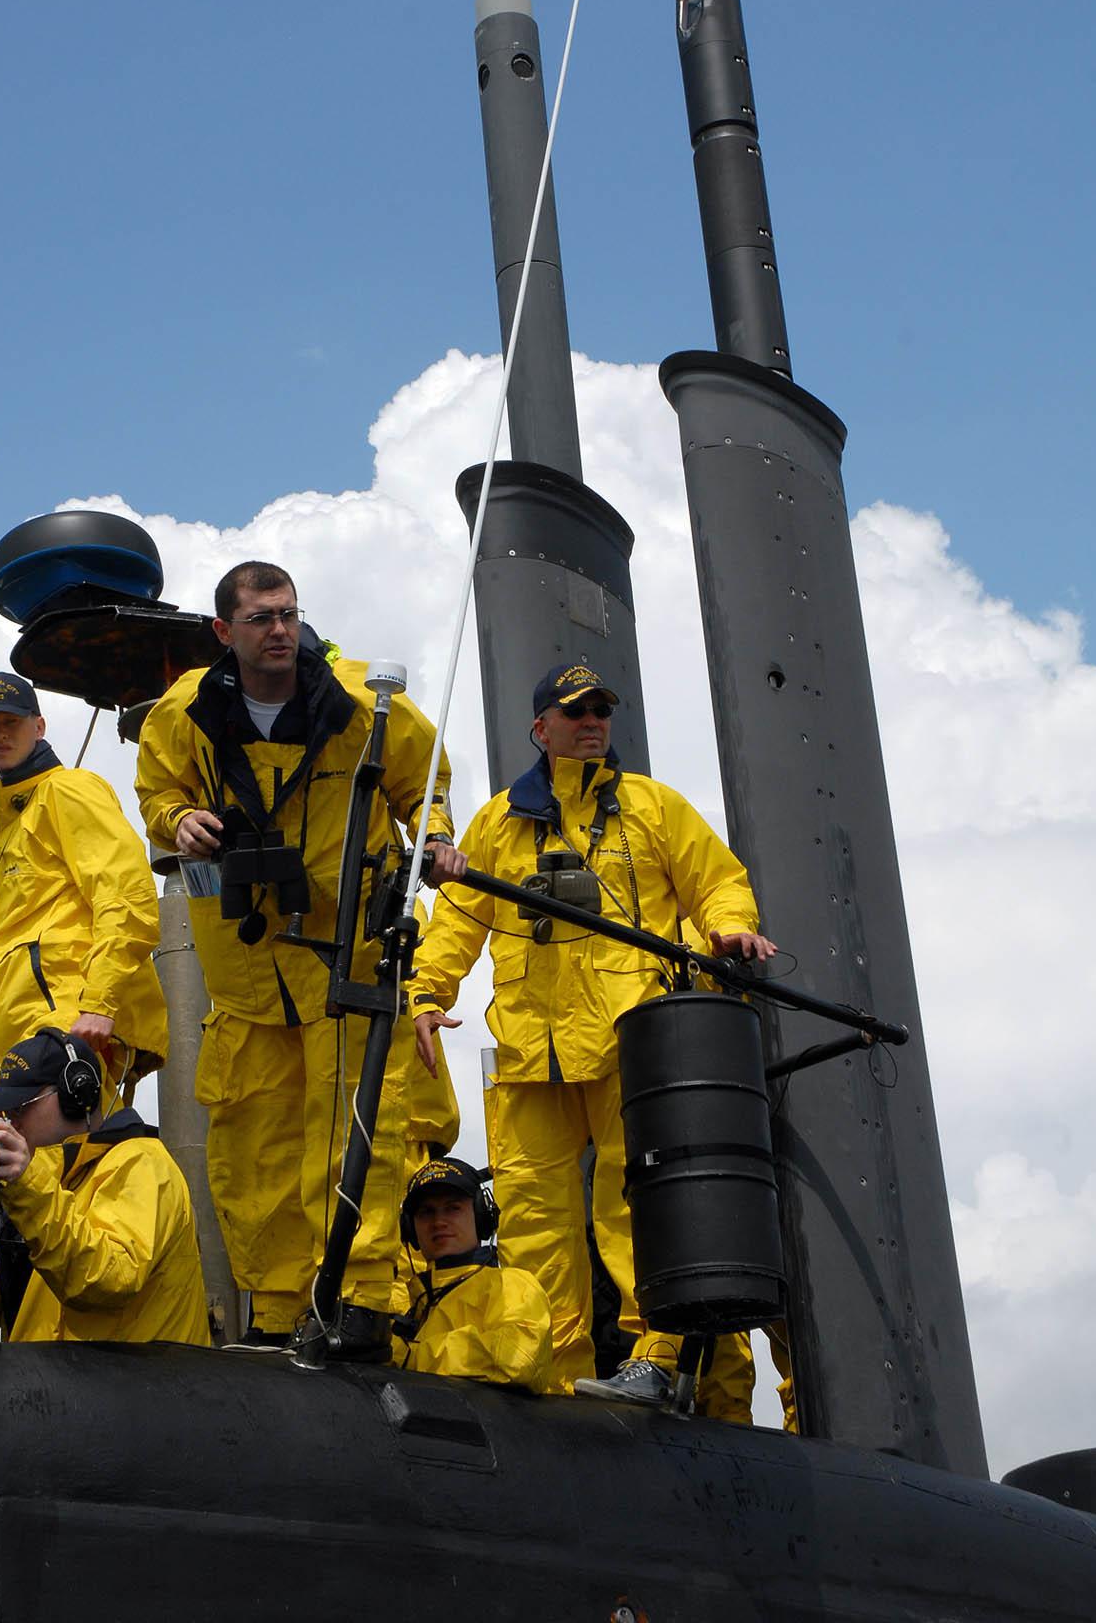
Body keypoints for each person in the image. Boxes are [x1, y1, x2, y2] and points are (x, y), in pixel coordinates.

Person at [410, 660, 775, 1409]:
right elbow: (457, 921)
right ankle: (552, 1376)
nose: (592, 725)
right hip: (528, 1055)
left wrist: (730, 927)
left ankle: (655, 1355)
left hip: (626, 1043)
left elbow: (715, 879)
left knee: (631, 1208)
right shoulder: (499, 820)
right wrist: (425, 991)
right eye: (576, 713)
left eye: (600, 713)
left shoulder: (649, 806)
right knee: (535, 1225)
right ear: (540, 729)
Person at [134, 561, 465, 1360]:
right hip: (246, 970)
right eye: (259, 619)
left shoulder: (363, 704)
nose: (278, 630)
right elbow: (155, 794)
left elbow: (424, 784)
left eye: (287, 614)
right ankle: (280, 1311)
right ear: (224, 632)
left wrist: (439, 837)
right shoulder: (183, 715)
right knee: (256, 1147)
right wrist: (178, 819)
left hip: (342, 958)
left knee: (357, 1131)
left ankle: (358, 1301)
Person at [0, 673, 168, 1108]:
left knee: (73, 1166)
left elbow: (126, 897)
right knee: (20, 1173)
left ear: (38, 727)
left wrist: (100, 1001)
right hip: (10, 1044)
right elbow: (0, 948)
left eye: (11, 722)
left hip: (66, 1026)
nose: (0, 734)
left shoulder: (68, 790)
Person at [0, 1029, 209, 1345]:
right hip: (46, 1387)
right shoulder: (33, 1190)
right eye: (5, 1112)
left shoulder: (142, 1163)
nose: (10, 1123)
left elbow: (111, 1279)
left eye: (21, 1107)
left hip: (136, 1390)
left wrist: (29, 1188)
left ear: (77, 1094)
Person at [393, 1157, 551, 1392]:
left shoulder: (511, 1284)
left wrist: (413, 1357)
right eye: (426, 1212)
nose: (439, 1221)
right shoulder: (411, 1305)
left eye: (453, 1208)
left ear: (480, 1215)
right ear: (410, 1229)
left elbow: (520, 1356)